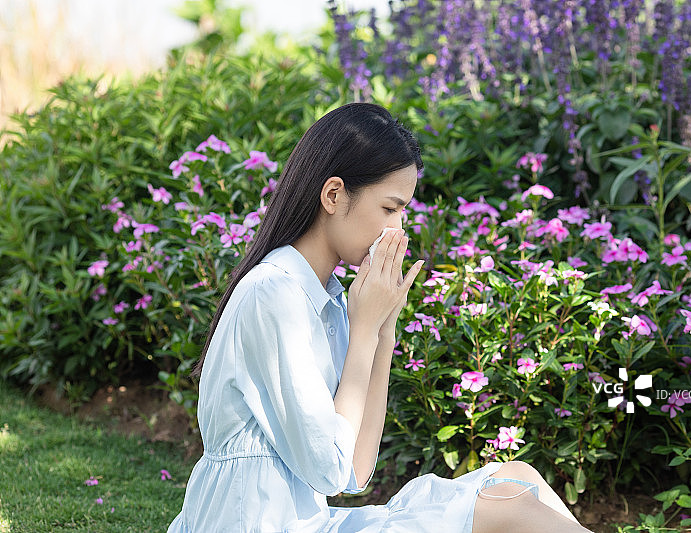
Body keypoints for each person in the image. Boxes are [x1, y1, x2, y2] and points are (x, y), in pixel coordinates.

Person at [166, 102, 593, 533]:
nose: (398, 229)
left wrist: (383, 330)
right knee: (510, 511)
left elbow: (355, 471)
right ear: (333, 195)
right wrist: (365, 331)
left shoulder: (329, 298)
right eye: (390, 209)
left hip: (303, 521)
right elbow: (331, 471)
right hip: (252, 523)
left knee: (516, 476)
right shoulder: (272, 293)